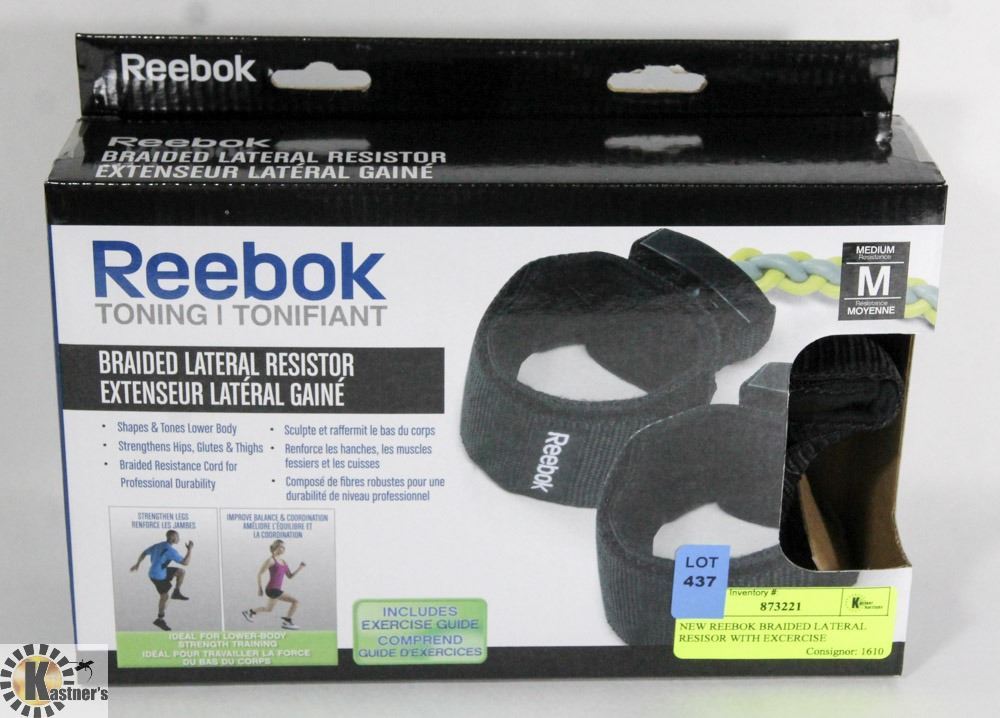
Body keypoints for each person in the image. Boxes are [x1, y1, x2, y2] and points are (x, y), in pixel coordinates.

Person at [130, 530, 194, 631]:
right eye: (177, 537)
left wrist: (137, 564)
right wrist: (190, 549)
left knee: (181, 572)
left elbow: (144, 553)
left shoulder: (158, 545)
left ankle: (176, 592)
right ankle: (159, 619)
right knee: (164, 596)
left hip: (158, 571)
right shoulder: (170, 551)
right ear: (172, 538)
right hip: (158, 576)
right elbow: (186, 562)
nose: (179, 539)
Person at [242, 540, 306, 630]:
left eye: (284, 547)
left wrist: (300, 568)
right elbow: (260, 574)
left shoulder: (283, 562)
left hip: (275, 590)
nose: (283, 549)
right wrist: (259, 588)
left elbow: (290, 576)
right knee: (296, 601)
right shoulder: (271, 560)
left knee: (268, 609)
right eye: (281, 547)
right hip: (272, 589)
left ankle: (250, 612)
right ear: (276, 547)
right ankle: (287, 622)